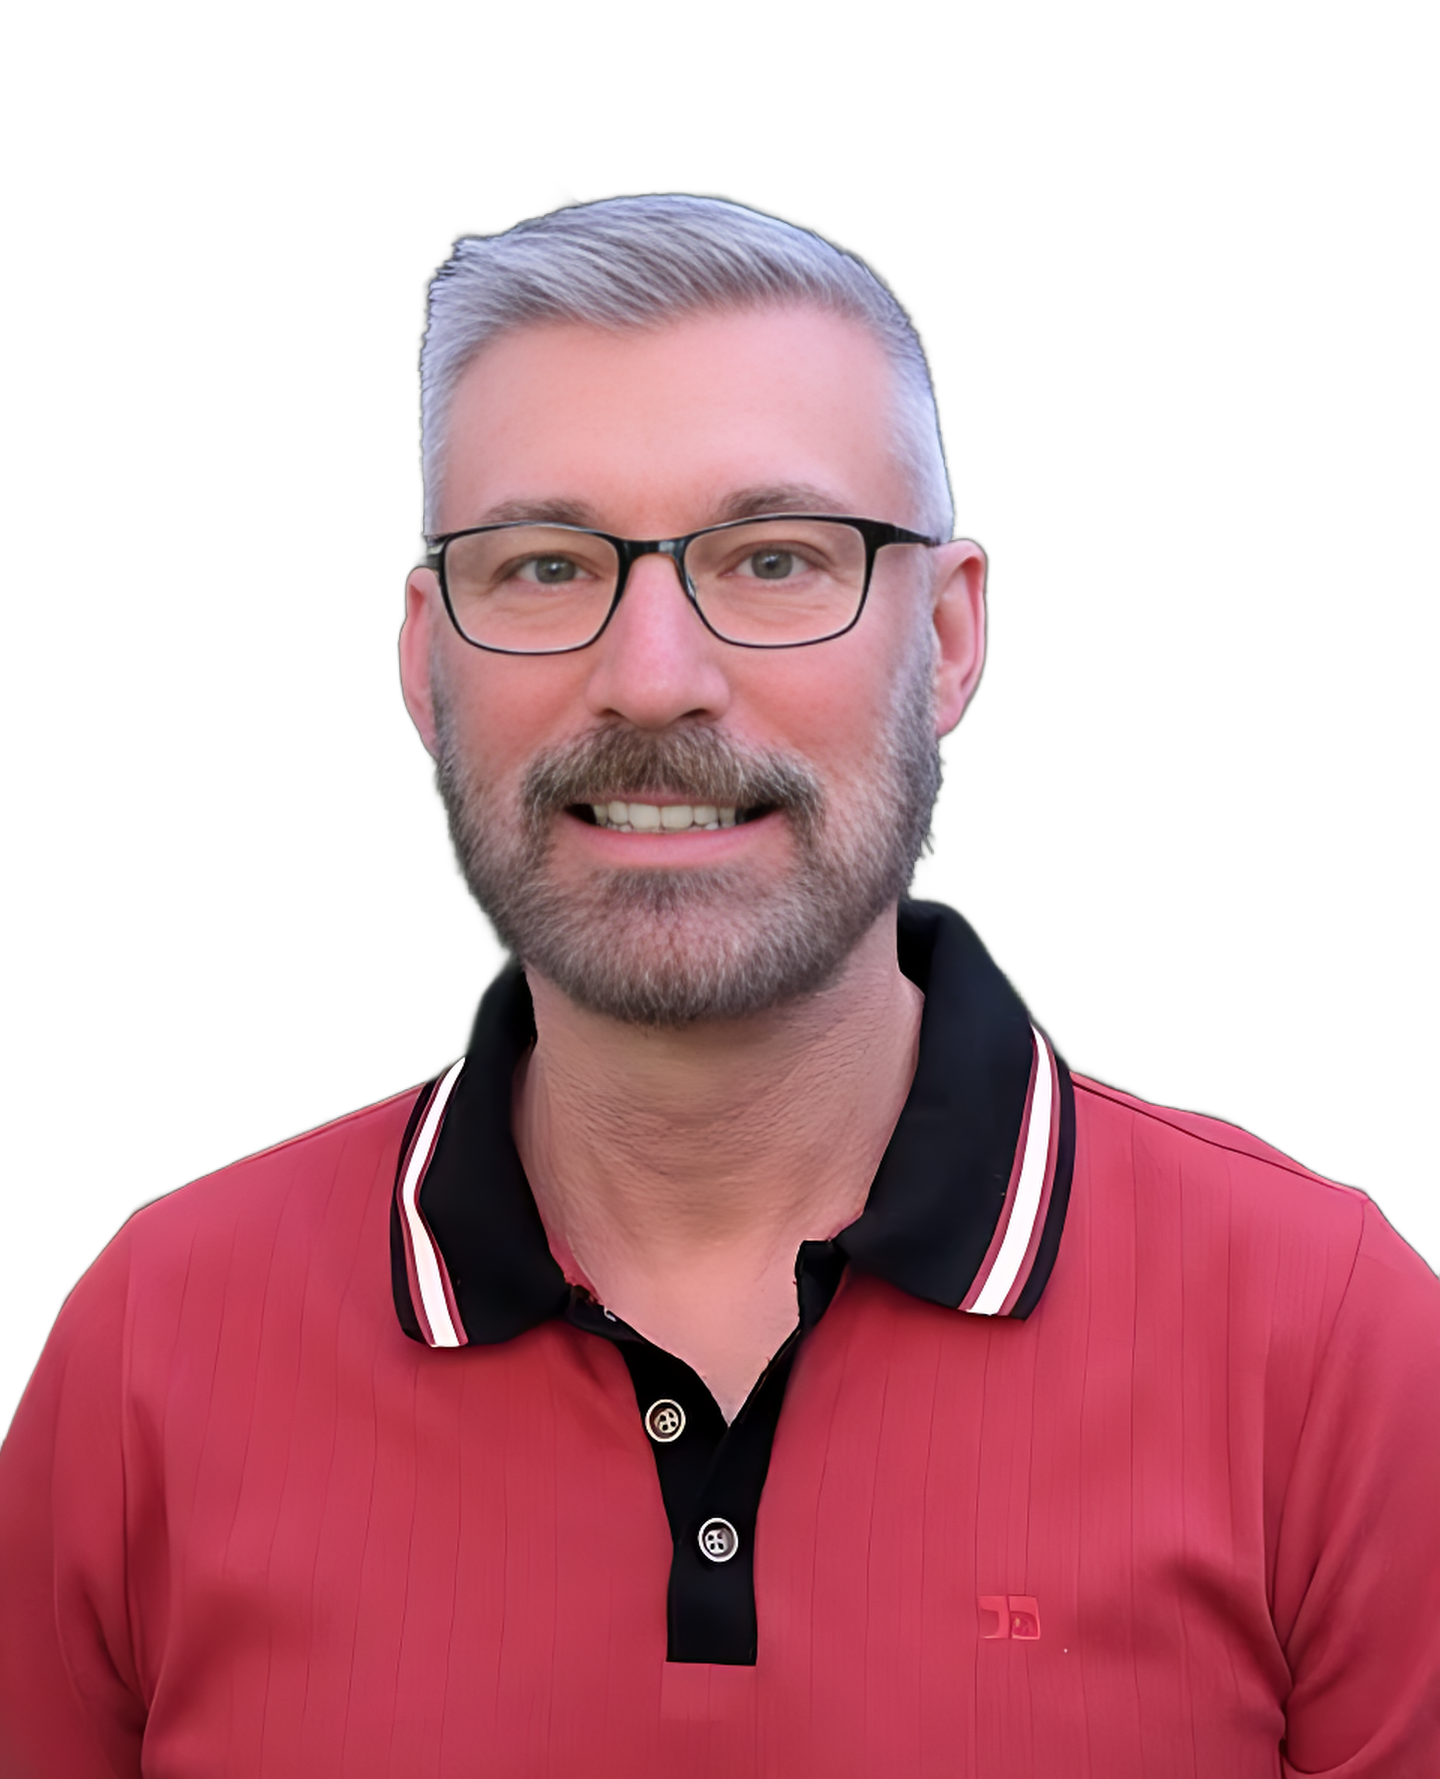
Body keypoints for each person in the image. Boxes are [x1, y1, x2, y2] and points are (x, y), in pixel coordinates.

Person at [0, 193, 1435, 1779]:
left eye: (772, 557)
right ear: (424, 661)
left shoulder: (1335, 1341)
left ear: (948, 637)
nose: (654, 675)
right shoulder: (152, 1344)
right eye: (546, 565)